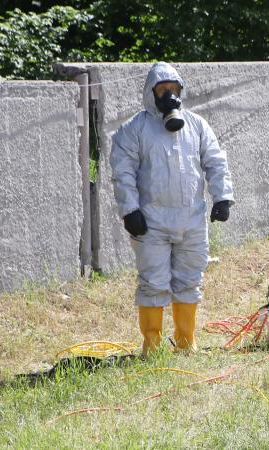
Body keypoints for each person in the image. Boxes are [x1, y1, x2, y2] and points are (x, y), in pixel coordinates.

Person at [110, 62, 234, 355]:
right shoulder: (134, 129)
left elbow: (215, 161)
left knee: (190, 280)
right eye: (162, 90)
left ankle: (186, 344)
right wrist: (130, 210)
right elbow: (122, 173)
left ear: (182, 91)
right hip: (151, 222)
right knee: (153, 283)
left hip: (191, 219)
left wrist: (222, 197)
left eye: (174, 89)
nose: (169, 95)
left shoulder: (197, 125)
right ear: (149, 93)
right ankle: (151, 347)